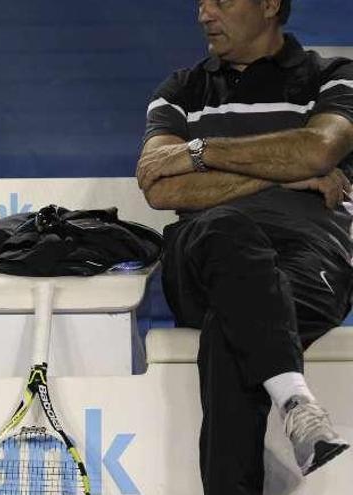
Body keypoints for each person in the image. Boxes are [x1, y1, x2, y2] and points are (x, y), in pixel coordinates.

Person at [137, 0, 353, 493]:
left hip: (310, 258)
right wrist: (283, 175)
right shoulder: (181, 88)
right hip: (203, 255)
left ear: (270, 4)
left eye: (220, 0)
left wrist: (199, 154)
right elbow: (158, 185)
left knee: (228, 332)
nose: (203, 14)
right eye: (200, 2)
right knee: (226, 230)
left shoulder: (334, 76)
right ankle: (297, 403)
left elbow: (318, 149)